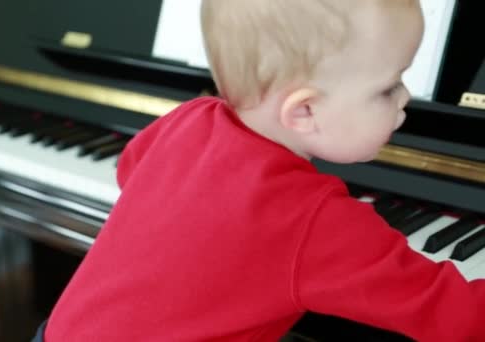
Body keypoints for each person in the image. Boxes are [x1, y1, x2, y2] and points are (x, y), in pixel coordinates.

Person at [42, 0, 485, 341]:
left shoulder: (191, 117)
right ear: (305, 110)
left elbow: (131, 168)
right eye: (390, 86)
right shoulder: (311, 220)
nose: (408, 98)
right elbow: (456, 317)